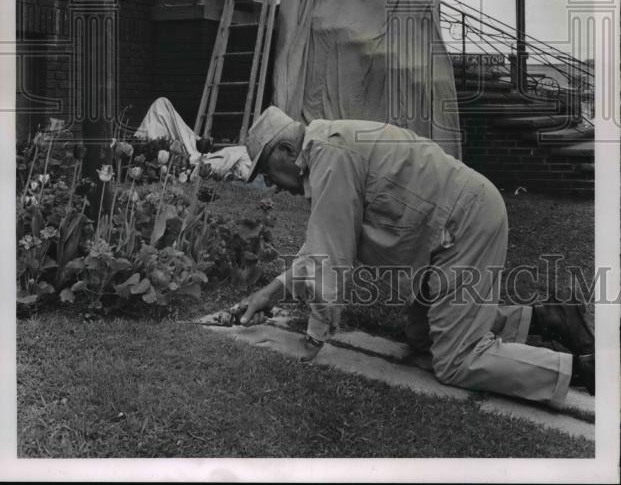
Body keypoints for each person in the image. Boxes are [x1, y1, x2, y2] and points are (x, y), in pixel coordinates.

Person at [234, 107, 595, 405]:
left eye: (266, 173)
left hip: (464, 222)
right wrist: (268, 294)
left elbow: (330, 262)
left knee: (457, 361)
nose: (271, 186)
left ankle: (580, 369)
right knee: (421, 337)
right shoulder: (328, 146)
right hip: (455, 221)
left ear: (283, 150)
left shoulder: (329, 156)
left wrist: (312, 341)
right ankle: (548, 318)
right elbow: (319, 249)